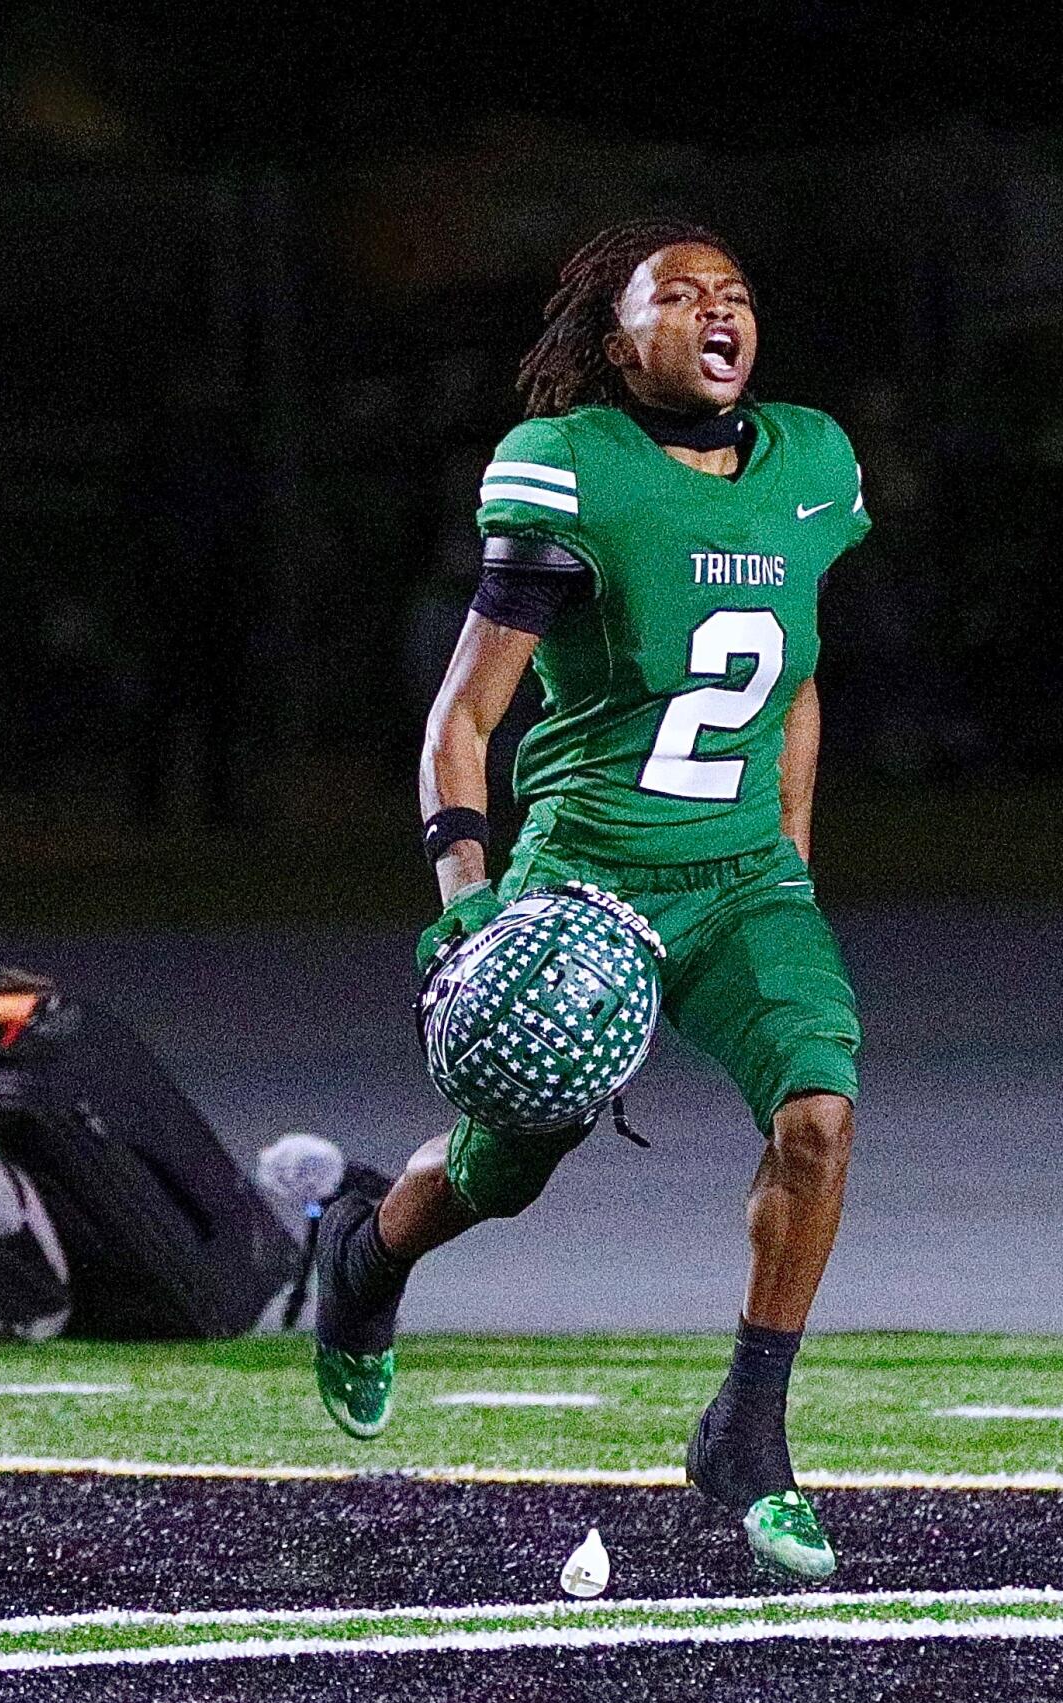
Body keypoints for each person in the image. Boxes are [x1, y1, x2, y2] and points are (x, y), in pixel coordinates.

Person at [314, 218, 871, 1578]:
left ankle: (746, 1428)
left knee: (819, 1112)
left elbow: (792, 675)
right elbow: (465, 716)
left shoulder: (810, 461)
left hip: (741, 880)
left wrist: (789, 852)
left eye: (733, 294)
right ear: (619, 342)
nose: (715, 314)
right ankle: (365, 1260)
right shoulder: (571, 469)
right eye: (676, 298)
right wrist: (468, 894)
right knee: (504, 1173)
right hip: (589, 887)